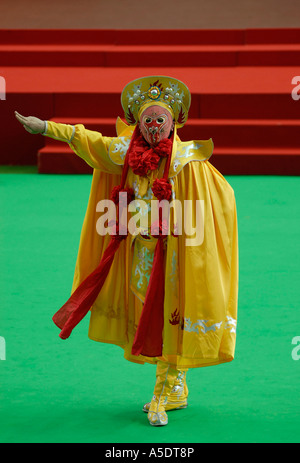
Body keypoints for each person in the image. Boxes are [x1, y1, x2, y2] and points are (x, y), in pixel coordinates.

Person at [15, 75, 238, 427]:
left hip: (175, 256)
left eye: (160, 121)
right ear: (138, 122)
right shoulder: (124, 152)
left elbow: (215, 200)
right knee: (148, 317)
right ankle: (175, 383)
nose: (153, 129)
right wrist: (46, 127)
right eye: (147, 121)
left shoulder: (186, 160)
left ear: (173, 122)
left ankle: (163, 394)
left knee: (169, 315)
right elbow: (89, 141)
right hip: (139, 254)